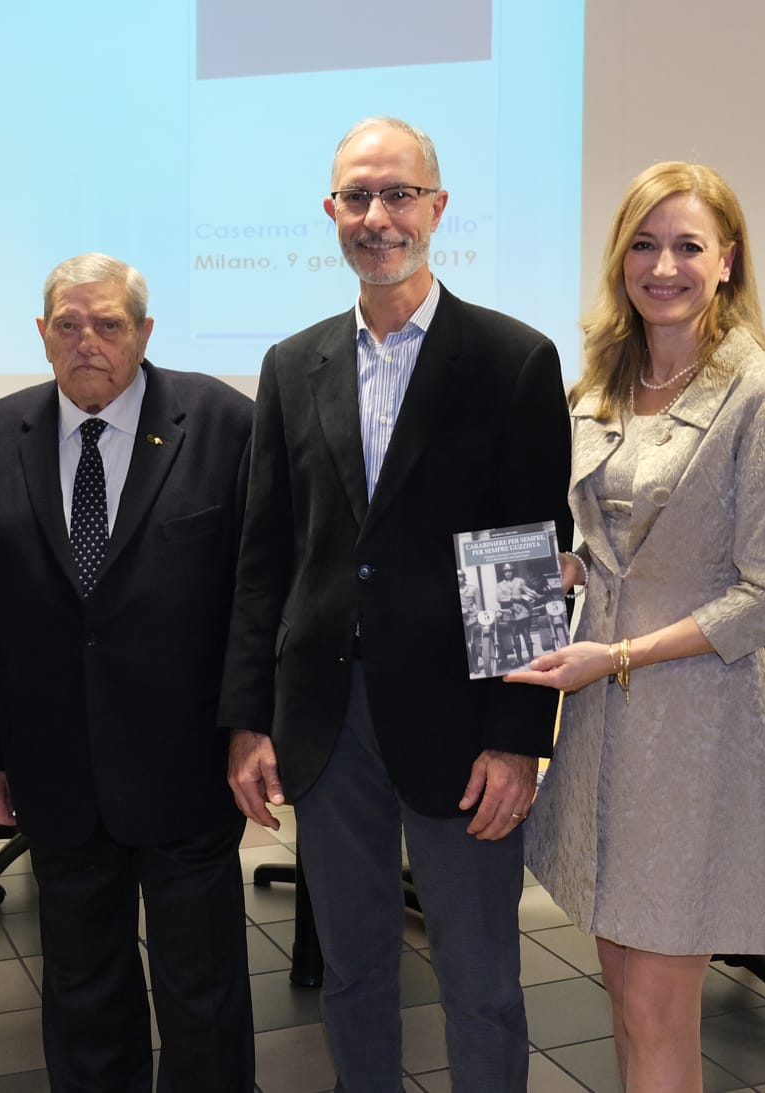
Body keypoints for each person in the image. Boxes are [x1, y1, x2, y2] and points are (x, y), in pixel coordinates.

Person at [220, 116, 572, 1092]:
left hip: (461, 725)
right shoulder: (291, 365)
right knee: (352, 967)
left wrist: (515, 738)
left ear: (437, 207)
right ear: (331, 211)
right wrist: (249, 719)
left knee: (479, 980)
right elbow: (264, 558)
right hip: (325, 720)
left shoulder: (511, 359)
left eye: (398, 194)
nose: (378, 216)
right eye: (357, 197)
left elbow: (523, 563)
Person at [506, 162, 765, 1092]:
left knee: (656, 1006)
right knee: (623, 994)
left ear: (728, 260)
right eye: (644, 244)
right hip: (602, 727)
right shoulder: (600, 383)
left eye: (688, 245)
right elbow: (611, 543)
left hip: (693, 727)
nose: (664, 266)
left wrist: (620, 653)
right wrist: (567, 569)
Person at [0, 252, 257, 1091]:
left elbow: (256, 594)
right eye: (69, 324)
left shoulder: (225, 425)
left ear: (144, 333)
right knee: (83, 987)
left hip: (188, 764)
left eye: (110, 324)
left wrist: (252, 726)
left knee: (202, 989)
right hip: (56, 767)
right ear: (42, 334)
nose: (89, 341)